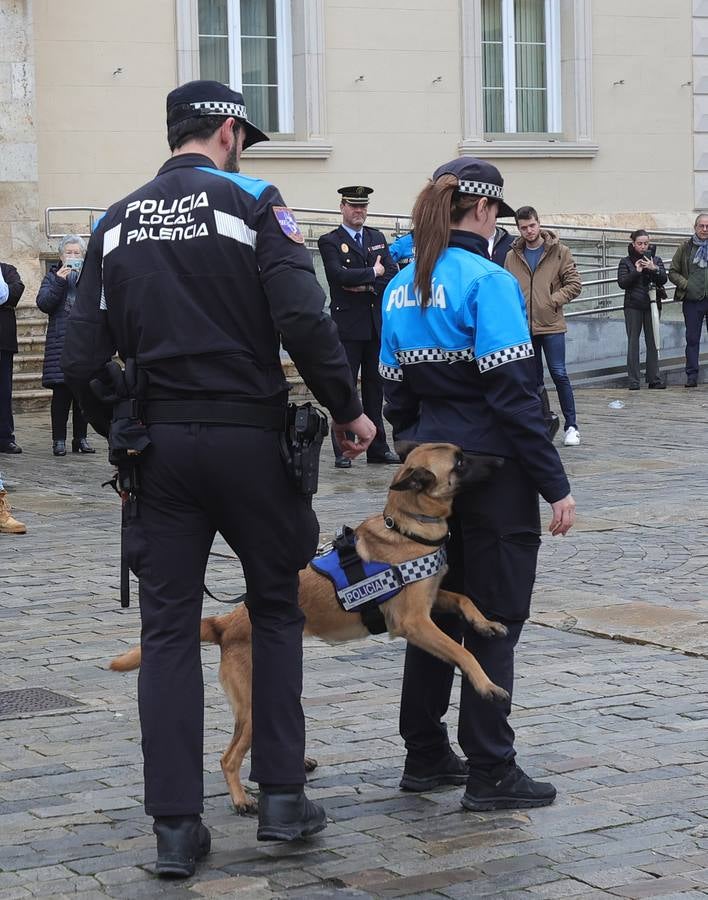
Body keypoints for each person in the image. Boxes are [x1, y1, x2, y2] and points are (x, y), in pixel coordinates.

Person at [61, 79, 375, 878]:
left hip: (159, 448)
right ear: (229, 130)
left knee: (167, 632)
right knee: (275, 612)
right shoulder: (252, 204)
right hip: (248, 440)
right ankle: (280, 800)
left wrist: (119, 428)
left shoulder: (116, 218)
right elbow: (304, 317)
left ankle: (174, 828)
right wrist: (347, 408)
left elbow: (76, 355)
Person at [379, 157, 575, 812]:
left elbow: (392, 393)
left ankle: (425, 751)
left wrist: (418, 444)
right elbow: (517, 397)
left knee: (435, 609)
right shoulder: (489, 282)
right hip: (492, 477)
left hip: (432, 480)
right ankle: (492, 767)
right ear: (486, 211)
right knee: (493, 620)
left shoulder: (401, 285)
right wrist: (554, 482)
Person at [318, 186, 399, 468]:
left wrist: (365, 282)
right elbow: (338, 276)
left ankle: (378, 447)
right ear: (342, 207)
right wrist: (372, 274)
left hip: (374, 325)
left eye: (363, 207)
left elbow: (390, 273)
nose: (359, 211)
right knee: (346, 387)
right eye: (353, 206)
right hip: (348, 327)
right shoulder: (330, 241)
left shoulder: (376, 237)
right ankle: (343, 448)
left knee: (376, 390)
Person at [505, 206, 582, 447]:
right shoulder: (512, 256)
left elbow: (575, 284)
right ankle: (541, 425)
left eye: (532, 226)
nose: (529, 231)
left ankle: (572, 426)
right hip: (523, 327)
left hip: (551, 324)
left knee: (559, 373)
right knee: (533, 379)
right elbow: (507, 288)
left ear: (539, 224)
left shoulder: (560, 252)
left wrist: (552, 300)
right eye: (523, 227)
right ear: (518, 229)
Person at [36, 235, 96, 456]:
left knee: (83, 396)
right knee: (61, 395)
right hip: (59, 343)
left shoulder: (89, 277)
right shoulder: (52, 278)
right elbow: (44, 304)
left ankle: (80, 439)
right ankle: (58, 440)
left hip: (83, 342)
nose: (72, 257)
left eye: (76, 253)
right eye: (68, 253)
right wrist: (60, 282)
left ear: (83, 256)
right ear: (60, 257)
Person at [617, 230, 668, 391]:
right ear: (633, 244)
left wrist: (654, 268)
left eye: (646, 243)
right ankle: (633, 380)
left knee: (653, 341)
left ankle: (654, 378)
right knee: (633, 342)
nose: (643, 246)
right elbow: (623, 283)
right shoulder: (625, 261)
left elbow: (664, 279)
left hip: (652, 304)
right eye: (640, 243)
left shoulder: (656, 259)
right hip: (633, 306)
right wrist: (636, 271)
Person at [668, 212, 708, 387]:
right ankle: (692, 375)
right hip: (692, 301)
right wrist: (686, 284)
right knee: (692, 339)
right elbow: (672, 272)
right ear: (695, 227)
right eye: (702, 226)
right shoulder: (685, 248)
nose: (705, 229)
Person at [0, 260, 25, 454]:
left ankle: (5, 437)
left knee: (3, 391)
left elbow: (15, 292)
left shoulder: (7, 270)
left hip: (3, 341)